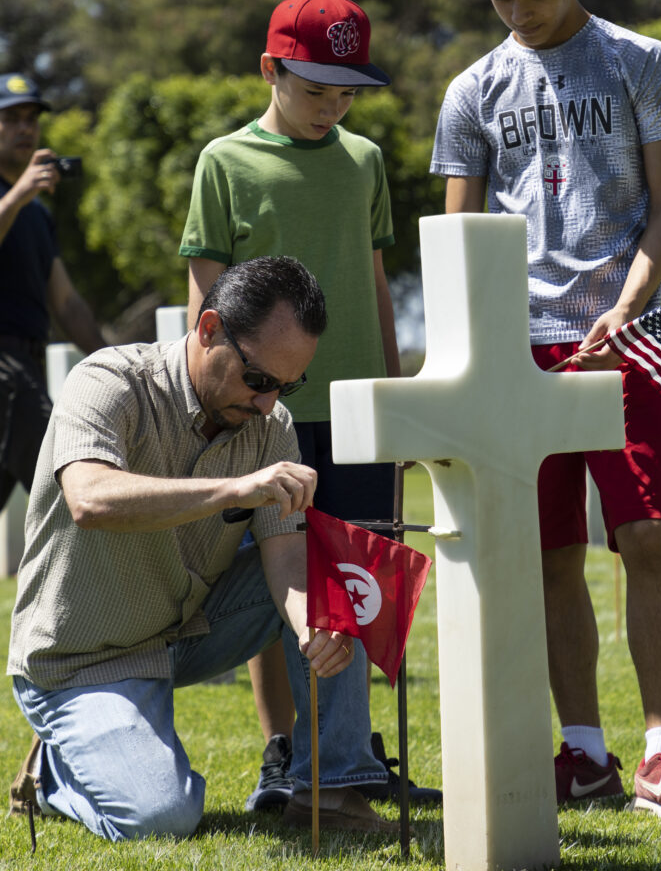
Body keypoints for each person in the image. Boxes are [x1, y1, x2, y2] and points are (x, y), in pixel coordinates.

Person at [430, 0, 661, 822]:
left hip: (628, 338)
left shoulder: (643, 63)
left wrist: (629, 306)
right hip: (518, 351)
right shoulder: (472, 90)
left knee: (644, 534)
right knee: (553, 552)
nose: (521, 14)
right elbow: (459, 232)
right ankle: (588, 753)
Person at [8, 257, 398, 840]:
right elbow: (89, 498)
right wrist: (234, 489)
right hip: (80, 661)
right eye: (259, 380)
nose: (269, 403)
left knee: (334, 572)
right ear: (210, 328)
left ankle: (329, 789)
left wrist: (309, 626)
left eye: (287, 386)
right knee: (164, 818)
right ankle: (54, 771)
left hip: (184, 631)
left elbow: (286, 554)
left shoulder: (272, 424)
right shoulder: (108, 380)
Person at [180, 0, 440, 809]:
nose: (334, 103)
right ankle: (285, 755)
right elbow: (204, 301)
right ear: (270, 69)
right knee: (279, 568)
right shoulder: (223, 162)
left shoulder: (363, 162)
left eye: (347, 89)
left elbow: (372, 283)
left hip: (362, 412)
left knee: (357, 578)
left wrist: (396, 398)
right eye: (316, 85)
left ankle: (349, 760)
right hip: (265, 411)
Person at [0, 72, 105, 514]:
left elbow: (66, 303)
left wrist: (114, 360)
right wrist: (19, 194)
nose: (26, 128)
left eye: (32, 119)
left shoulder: (38, 214)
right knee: (67, 478)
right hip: (5, 368)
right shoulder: (22, 201)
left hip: (25, 362)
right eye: (12, 118)